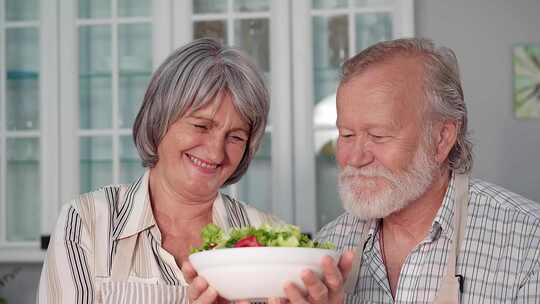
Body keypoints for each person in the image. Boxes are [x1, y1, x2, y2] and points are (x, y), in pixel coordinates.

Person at [38, 38, 351, 304]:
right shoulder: (87, 223)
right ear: (159, 118)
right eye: (201, 125)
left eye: (236, 136)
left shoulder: (270, 238)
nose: (215, 152)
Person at [316, 37, 540, 303]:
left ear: (441, 138)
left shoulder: (529, 243)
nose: (354, 157)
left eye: (378, 136)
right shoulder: (327, 245)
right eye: (347, 135)